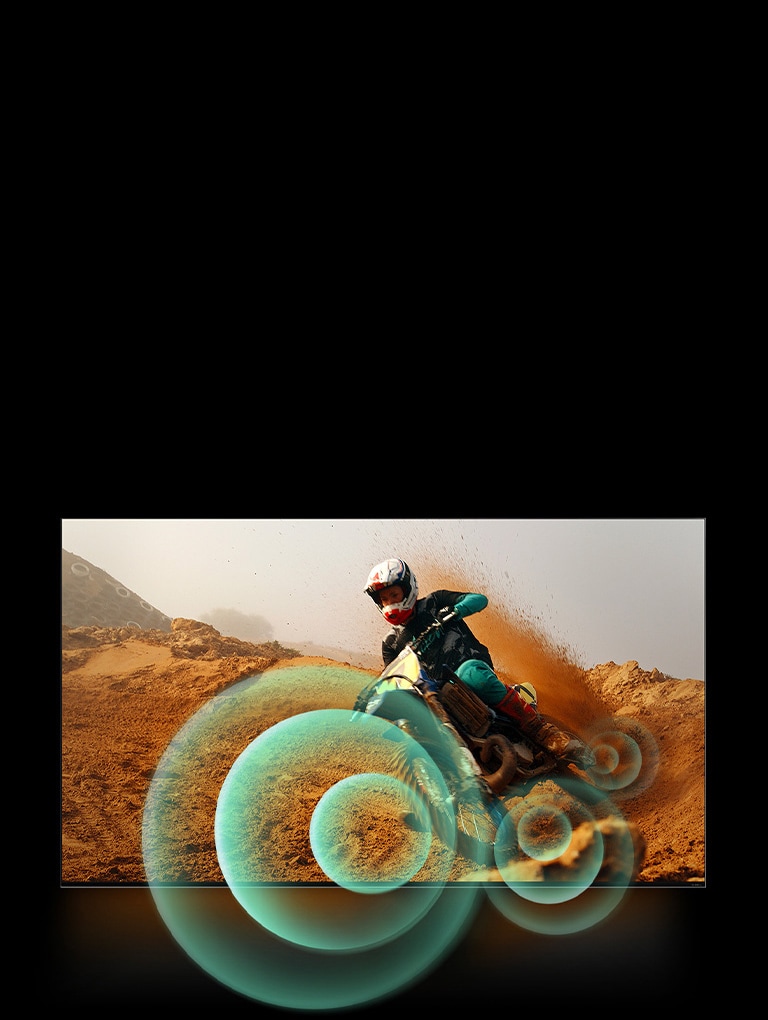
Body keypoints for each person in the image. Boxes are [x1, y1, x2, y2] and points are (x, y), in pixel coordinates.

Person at [364, 557, 584, 759]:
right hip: (435, 692)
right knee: (411, 722)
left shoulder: (434, 602)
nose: (390, 602)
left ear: (408, 588)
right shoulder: (390, 643)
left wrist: (456, 610)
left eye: (394, 595)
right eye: (384, 599)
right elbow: (395, 678)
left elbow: (479, 599)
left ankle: (545, 733)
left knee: (471, 675)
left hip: (467, 667)